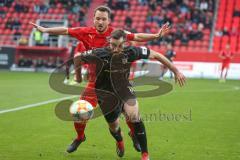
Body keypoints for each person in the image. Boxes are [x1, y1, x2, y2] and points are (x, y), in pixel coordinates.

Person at [30, 5, 170, 154]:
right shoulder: (85, 32)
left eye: (104, 19)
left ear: (109, 21)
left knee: (128, 112)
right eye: (98, 18)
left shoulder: (117, 34)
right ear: (94, 19)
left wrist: (156, 35)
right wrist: (45, 30)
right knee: (79, 113)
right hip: (96, 82)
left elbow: (136, 36)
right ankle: (80, 137)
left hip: (118, 81)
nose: (100, 22)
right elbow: (65, 31)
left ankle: (134, 134)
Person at [73, 29, 186, 160]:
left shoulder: (131, 51)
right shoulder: (99, 53)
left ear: (125, 43)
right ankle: (120, 140)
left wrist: (176, 71)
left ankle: (145, 154)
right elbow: (77, 58)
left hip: (124, 89)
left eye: (120, 46)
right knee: (114, 127)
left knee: (134, 115)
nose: (116, 49)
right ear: (109, 42)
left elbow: (156, 55)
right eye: (113, 45)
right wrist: (78, 77)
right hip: (105, 93)